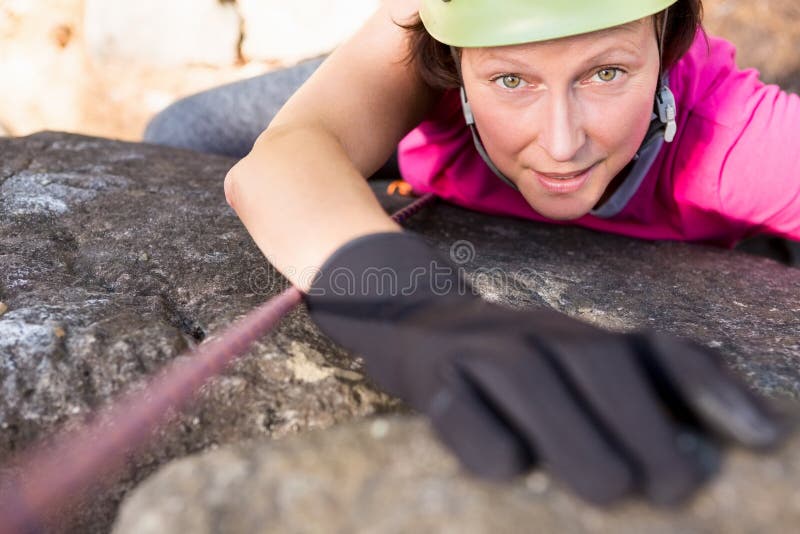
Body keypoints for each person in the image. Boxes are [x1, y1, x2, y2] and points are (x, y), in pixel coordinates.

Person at [144, 0, 795, 507]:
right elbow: (272, 168)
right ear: (454, 62)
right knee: (183, 132)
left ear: (669, 42)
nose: (562, 143)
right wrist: (415, 307)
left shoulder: (734, 135)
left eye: (607, 72)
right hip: (428, 121)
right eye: (513, 78)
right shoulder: (423, 45)